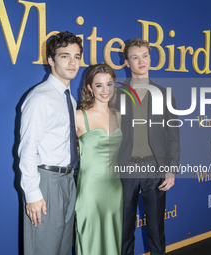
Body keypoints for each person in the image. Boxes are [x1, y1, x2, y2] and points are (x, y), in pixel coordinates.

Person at [18, 31, 82, 255]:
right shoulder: (40, 98)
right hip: (46, 183)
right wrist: (33, 194)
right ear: (51, 60)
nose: (73, 62)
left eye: (76, 56)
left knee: (64, 248)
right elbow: (27, 149)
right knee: (43, 249)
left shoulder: (69, 99)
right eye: (65, 56)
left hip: (68, 180)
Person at [115, 38, 180, 255]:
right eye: (135, 57)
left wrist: (171, 168)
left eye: (145, 55)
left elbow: (173, 135)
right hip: (126, 170)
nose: (141, 61)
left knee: (155, 229)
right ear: (126, 62)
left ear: (150, 59)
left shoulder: (165, 94)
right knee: (124, 230)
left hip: (155, 169)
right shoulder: (117, 95)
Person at [75, 63, 123, 255]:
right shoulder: (79, 116)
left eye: (109, 84)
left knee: (113, 237)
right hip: (90, 190)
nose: (105, 90)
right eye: (99, 85)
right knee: (90, 239)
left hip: (115, 188)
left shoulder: (119, 116)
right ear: (89, 88)